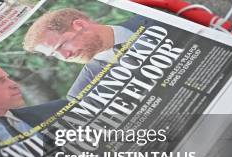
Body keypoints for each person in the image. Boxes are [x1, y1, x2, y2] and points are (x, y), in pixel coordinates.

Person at [23, 7, 153, 99]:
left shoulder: (154, 18)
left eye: (61, 45)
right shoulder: (82, 93)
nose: (65, 56)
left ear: (80, 24)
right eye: (54, 54)